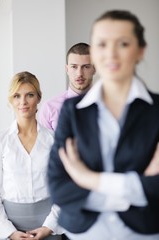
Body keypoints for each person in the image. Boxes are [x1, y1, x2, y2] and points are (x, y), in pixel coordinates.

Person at [47, 10, 159, 240]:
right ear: (94, 53)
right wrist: (136, 186)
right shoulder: (71, 111)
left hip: (143, 233)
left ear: (140, 50)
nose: (111, 53)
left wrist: (89, 179)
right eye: (102, 44)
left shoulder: (156, 111)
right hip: (83, 233)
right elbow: (58, 187)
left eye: (123, 44)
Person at [0, 71, 64, 240]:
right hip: (9, 226)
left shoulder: (54, 140)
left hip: (49, 224)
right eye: (17, 96)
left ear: (39, 98)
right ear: (11, 100)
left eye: (29, 95)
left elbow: (63, 187)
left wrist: (48, 227)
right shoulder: (1, 141)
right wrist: (9, 232)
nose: (23, 102)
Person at [38, 42, 95, 131]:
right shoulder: (49, 108)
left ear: (94, 69)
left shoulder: (108, 105)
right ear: (67, 69)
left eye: (86, 67)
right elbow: (44, 144)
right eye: (74, 67)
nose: (79, 73)